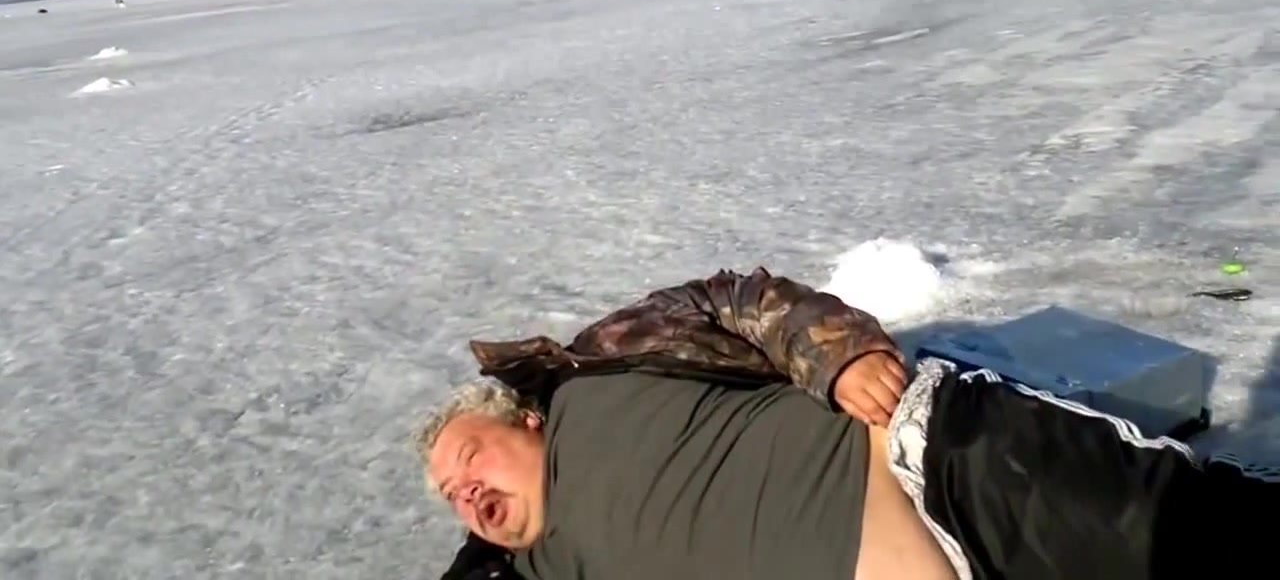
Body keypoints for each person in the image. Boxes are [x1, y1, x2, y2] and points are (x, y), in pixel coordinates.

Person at [419, 268, 1279, 580]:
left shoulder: (601, 367)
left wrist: (837, 354)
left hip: (930, 466)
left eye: (468, 460)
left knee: (1191, 538)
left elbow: (736, 301)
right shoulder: (532, 566)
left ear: (524, 420)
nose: (466, 493)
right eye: (452, 496)